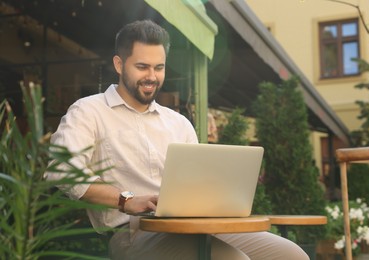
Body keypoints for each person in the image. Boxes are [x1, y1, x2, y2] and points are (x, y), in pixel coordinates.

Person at [46, 20, 309, 259]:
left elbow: (199, 186)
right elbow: (62, 171)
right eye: (142, 66)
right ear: (118, 64)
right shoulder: (88, 111)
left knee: (291, 255)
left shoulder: (178, 123)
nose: (152, 76)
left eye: (159, 67)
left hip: (194, 226)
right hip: (134, 233)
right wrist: (126, 200)